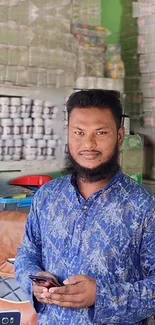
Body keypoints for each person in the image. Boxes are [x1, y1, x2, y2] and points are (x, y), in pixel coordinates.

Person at [15, 89, 155, 325]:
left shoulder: (143, 206)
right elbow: (27, 253)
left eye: (100, 132)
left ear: (119, 136)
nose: (88, 144)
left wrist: (101, 297)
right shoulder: (48, 196)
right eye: (79, 132)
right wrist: (35, 281)